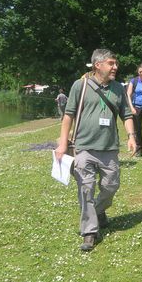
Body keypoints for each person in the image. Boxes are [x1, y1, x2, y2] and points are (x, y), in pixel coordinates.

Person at [55, 48, 136, 251]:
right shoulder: (79, 86)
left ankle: (98, 211)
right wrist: (63, 144)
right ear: (98, 65)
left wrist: (131, 137)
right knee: (86, 189)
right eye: (111, 63)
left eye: (115, 63)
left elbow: (126, 115)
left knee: (111, 187)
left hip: (109, 149)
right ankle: (89, 232)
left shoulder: (118, 88)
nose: (115, 67)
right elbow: (68, 116)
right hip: (84, 148)